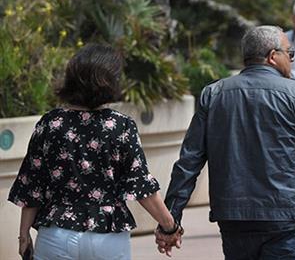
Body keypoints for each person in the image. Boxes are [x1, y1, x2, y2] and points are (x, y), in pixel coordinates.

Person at [163, 25, 295, 260]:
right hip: (286, 215)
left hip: (235, 217)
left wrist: (170, 219)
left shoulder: (214, 94)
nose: (291, 61)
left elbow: (189, 161)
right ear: (272, 57)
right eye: (289, 54)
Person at [8, 44, 179, 260]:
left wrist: (23, 236)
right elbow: (141, 185)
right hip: (108, 236)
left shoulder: (50, 123)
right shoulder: (121, 126)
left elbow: (32, 185)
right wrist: (169, 227)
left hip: (57, 233)